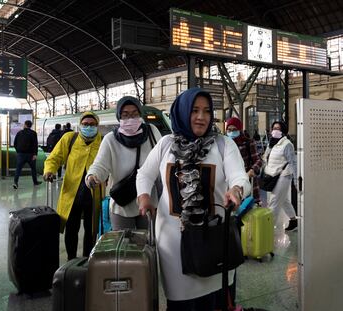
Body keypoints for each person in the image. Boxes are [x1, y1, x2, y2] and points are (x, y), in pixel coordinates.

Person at [136, 88, 251, 311]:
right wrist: (144, 197)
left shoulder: (223, 144)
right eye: (195, 110)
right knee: (181, 303)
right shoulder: (166, 144)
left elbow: (240, 175)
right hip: (173, 244)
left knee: (217, 301)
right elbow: (144, 174)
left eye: (207, 111)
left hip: (214, 242)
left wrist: (236, 189)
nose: (201, 117)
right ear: (182, 112)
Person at [85, 96, 162, 230]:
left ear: (140, 114)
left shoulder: (151, 133)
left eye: (134, 114)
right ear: (119, 117)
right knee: (125, 247)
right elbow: (100, 164)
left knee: (148, 245)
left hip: (149, 201)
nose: (130, 119)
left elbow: (163, 158)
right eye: (125, 115)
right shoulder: (111, 139)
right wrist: (93, 176)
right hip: (122, 205)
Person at [43, 111, 103, 260]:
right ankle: (71, 259)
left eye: (92, 124)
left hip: (94, 194)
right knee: (71, 228)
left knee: (91, 230)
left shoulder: (102, 142)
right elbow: (55, 157)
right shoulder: (69, 138)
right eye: (85, 124)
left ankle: (87, 260)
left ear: (97, 126)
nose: (88, 127)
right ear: (80, 125)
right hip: (72, 194)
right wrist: (49, 170)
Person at [263, 121, 298, 231]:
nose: (275, 131)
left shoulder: (287, 144)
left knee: (274, 201)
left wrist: (296, 181)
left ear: (283, 131)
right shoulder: (272, 143)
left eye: (278, 128)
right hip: (273, 174)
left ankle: (267, 230)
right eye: (274, 128)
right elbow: (266, 157)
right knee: (283, 200)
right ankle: (293, 220)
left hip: (284, 175)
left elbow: (293, 162)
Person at [226, 117, 263, 203]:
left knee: (248, 210)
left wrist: (252, 170)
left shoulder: (248, 142)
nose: (231, 132)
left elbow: (259, 160)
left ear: (240, 130)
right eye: (229, 130)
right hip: (229, 183)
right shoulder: (225, 144)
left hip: (247, 181)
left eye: (234, 129)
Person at [12, 120, 42, 189]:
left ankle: (15, 182)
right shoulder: (33, 133)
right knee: (33, 169)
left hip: (21, 154)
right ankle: (35, 182)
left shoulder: (19, 133)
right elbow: (35, 145)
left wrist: (18, 151)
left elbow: (15, 143)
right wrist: (35, 154)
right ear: (30, 126)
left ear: (25, 125)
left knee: (18, 169)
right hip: (30, 155)